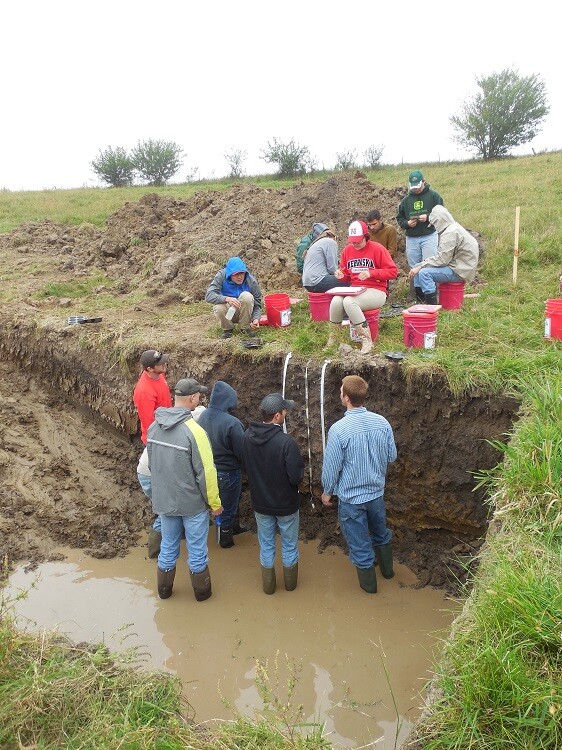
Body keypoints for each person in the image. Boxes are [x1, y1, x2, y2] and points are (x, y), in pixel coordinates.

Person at [147, 378, 222, 602]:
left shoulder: (154, 427)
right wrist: (215, 504)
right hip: (192, 505)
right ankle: (202, 595)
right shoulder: (195, 432)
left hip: (166, 502)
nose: (199, 399)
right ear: (192, 399)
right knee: (197, 550)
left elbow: (153, 466)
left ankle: (164, 592)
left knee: (168, 547)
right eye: (198, 396)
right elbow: (207, 474)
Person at [321, 375, 397, 594]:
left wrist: (327, 492)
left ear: (345, 397)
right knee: (381, 534)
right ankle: (388, 573)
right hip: (376, 494)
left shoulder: (338, 430)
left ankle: (370, 592)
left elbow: (332, 467)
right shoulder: (382, 422)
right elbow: (391, 456)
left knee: (361, 548)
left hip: (352, 500)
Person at [242, 393, 305, 595]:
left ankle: (269, 589)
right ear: (277, 416)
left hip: (261, 504)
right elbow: (296, 477)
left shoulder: (246, 437)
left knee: (266, 545)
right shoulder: (287, 443)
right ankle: (290, 587)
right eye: (285, 410)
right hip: (286, 505)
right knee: (289, 544)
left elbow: (245, 467)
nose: (287, 413)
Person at [328, 220, 398, 354]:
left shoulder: (377, 249)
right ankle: (334, 339)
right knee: (336, 301)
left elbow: (393, 272)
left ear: (366, 237)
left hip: (377, 291)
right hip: (356, 289)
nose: (355, 244)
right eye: (352, 241)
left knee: (349, 302)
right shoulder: (347, 250)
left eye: (358, 241)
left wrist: (371, 273)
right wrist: (340, 275)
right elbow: (346, 275)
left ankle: (366, 340)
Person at [132, 349, 172, 558]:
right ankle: (155, 551)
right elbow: (151, 426)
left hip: (168, 431)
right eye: (160, 364)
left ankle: (172, 530)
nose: (164, 366)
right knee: (165, 505)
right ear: (149, 369)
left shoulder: (159, 375)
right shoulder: (144, 392)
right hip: (157, 442)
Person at [198, 381, 245, 549]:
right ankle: (226, 539)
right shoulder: (232, 423)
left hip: (208, 471)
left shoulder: (202, 417)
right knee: (230, 504)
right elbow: (242, 451)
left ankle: (230, 528)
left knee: (217, 502)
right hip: (228, 472)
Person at [408, 205, 479, 304]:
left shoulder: (449, 233)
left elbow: (442, 260)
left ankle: (431, 305)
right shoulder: (453, 227)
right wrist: (420, 266)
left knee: (424, 273)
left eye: (434, 224)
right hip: (460, 266)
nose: (434, 227)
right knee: (417, 267)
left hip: (460, 270)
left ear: (439, 221)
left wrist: (422, 265)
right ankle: (420, 299)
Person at [396, 170, 444, 302]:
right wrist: (407, 223)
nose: (416, 189)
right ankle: (418, 295)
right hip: (412, 237)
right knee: (414, 266)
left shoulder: (434, 196)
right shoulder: (406, 200)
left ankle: (431, 295)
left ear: (424, 181)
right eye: (414, 187)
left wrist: (428, 217)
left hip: (429, 235)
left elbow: (442, 214)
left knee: (428, 264)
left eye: (418, 186)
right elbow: (399, 218)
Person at [205, 256, 263, 339]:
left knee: (247, 296)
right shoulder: (221, 276)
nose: (240, 277)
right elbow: (209, 296)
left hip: (245, 312)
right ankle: (228, 329)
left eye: (242, 273)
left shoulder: (251, 281)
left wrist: (256, 319)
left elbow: (257, 305)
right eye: (236, 274)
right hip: (229, 312)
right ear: (230, 274)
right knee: (218, 307)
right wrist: (226, 299)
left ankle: (245, 328)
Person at [302, 224, 349, 292]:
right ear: (334, 237)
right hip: (317, 281)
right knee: (348, 280)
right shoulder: (331, 242)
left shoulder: (317, 243)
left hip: (307, 283)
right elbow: (332, 269)